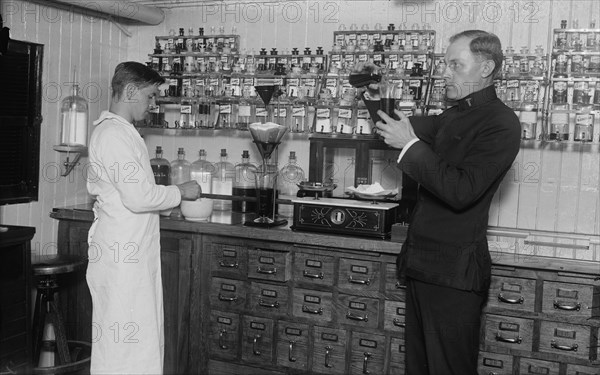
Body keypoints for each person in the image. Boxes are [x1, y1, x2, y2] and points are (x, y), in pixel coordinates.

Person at [374, 30, 521, 374]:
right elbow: (386, 129)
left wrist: (410, 145)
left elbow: (461, 191)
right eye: (446, 64)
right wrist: (375, 97)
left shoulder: (501, 124)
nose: (446, 72)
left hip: (454, 273)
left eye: (456, 64)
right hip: (421, 264)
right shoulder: (450, 117)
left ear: (485, 68)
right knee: (419, 367)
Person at [86, 61, 201, 374]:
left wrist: (166, 200)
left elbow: (139, 193)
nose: (153, 104)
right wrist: (181, 192)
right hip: (120, 257)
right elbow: (139, 198)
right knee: (121, 344)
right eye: (151, 96)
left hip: (132, 252)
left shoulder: (125, 134)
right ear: (130, 90)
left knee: (139, 339)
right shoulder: (112, 135)